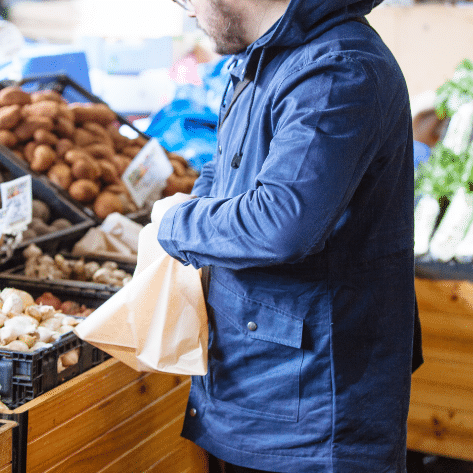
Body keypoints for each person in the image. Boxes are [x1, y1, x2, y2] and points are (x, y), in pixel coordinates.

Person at [151, 0, 423, 471]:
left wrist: (172, 226)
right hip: (261, 384)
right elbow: (225, 166)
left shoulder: (337, 69)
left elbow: (282, 222)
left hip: (314, 408)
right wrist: (190, 207)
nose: (188, 12)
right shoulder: (262, 58)